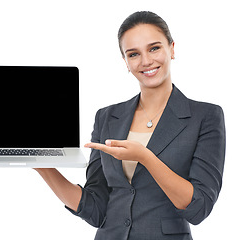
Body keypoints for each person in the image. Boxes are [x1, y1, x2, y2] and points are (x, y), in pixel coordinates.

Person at [34, 11, 226, 240]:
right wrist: (42, 165)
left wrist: (145, 157)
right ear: (125, 61)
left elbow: (199, 208)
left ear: (172, 49)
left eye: (154, 48)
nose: (146, 61)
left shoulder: (205, 116)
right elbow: (96, 210)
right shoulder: (107, 117)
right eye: (133, 54)